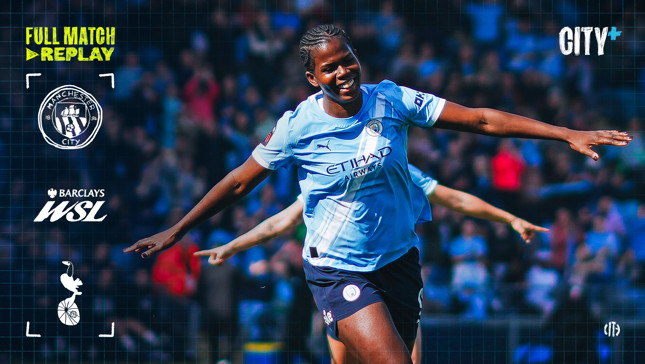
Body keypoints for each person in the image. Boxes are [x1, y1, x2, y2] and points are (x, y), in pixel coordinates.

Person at [125, 24, 631, 363]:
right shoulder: (297, 127)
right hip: (337, 266)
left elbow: (480, 120)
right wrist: (179, 228)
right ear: (312, 77)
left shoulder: (392, 99)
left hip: (399, 261)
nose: (343, 72)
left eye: (347, 61)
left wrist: (565, 133)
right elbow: (239, 181)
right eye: (330, 68)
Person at [193, 163, 548, 363]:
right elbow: (282, 221)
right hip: (343, 276)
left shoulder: (402, 171)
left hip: (396, 277)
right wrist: (232, 246)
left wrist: (509, 219)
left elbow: (455, 199)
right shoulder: (331, 175)